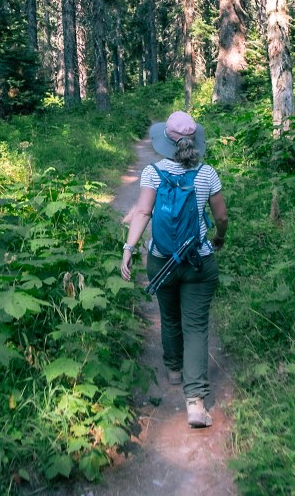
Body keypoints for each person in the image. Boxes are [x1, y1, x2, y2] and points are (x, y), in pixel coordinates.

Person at [121, 111, 229, 428]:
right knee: (195, 327)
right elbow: (221, 217)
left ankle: (173, 368)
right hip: (199, 260)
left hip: (161, 260)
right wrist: (219, 238)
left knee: (169, 315)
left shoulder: (153, 172)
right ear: (195, 141)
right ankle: (195, 403)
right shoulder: (207, 173)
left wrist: (129, 249)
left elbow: (142, 211)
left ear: (165, 141)